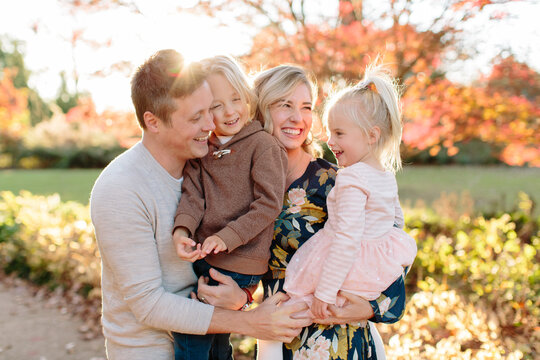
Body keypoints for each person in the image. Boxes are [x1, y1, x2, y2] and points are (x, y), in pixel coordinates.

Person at [90, 49, 310, 360]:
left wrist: (241, 298)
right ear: (153, 122)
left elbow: (244, 254)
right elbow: (149, 305)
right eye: (197, 117)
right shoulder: (121, 188)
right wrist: (250, 321)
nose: (212, 123)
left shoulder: (209, 165)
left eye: (211, 110)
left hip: (212, 340)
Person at [258, 63, 417, 360]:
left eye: (306, 107)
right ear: (261, 109)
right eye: (285, 105)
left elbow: (390, 248)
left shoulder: (339, 178)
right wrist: (237, 296)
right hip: (276, 333)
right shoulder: (243, 184)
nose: (297, 117)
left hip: (336, 335)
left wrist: (371, 307)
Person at [170, 55, 287, 359]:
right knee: (215, 337)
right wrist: (182, 229)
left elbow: (268, 204)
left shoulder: (262, 145)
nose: (229, 111)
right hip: (211, 256)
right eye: (216, 106)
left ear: (247, 96)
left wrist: (227, 237)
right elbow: (193, 195)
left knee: (191, 328)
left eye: (235, 98)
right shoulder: (203, 149)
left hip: (241, 260)